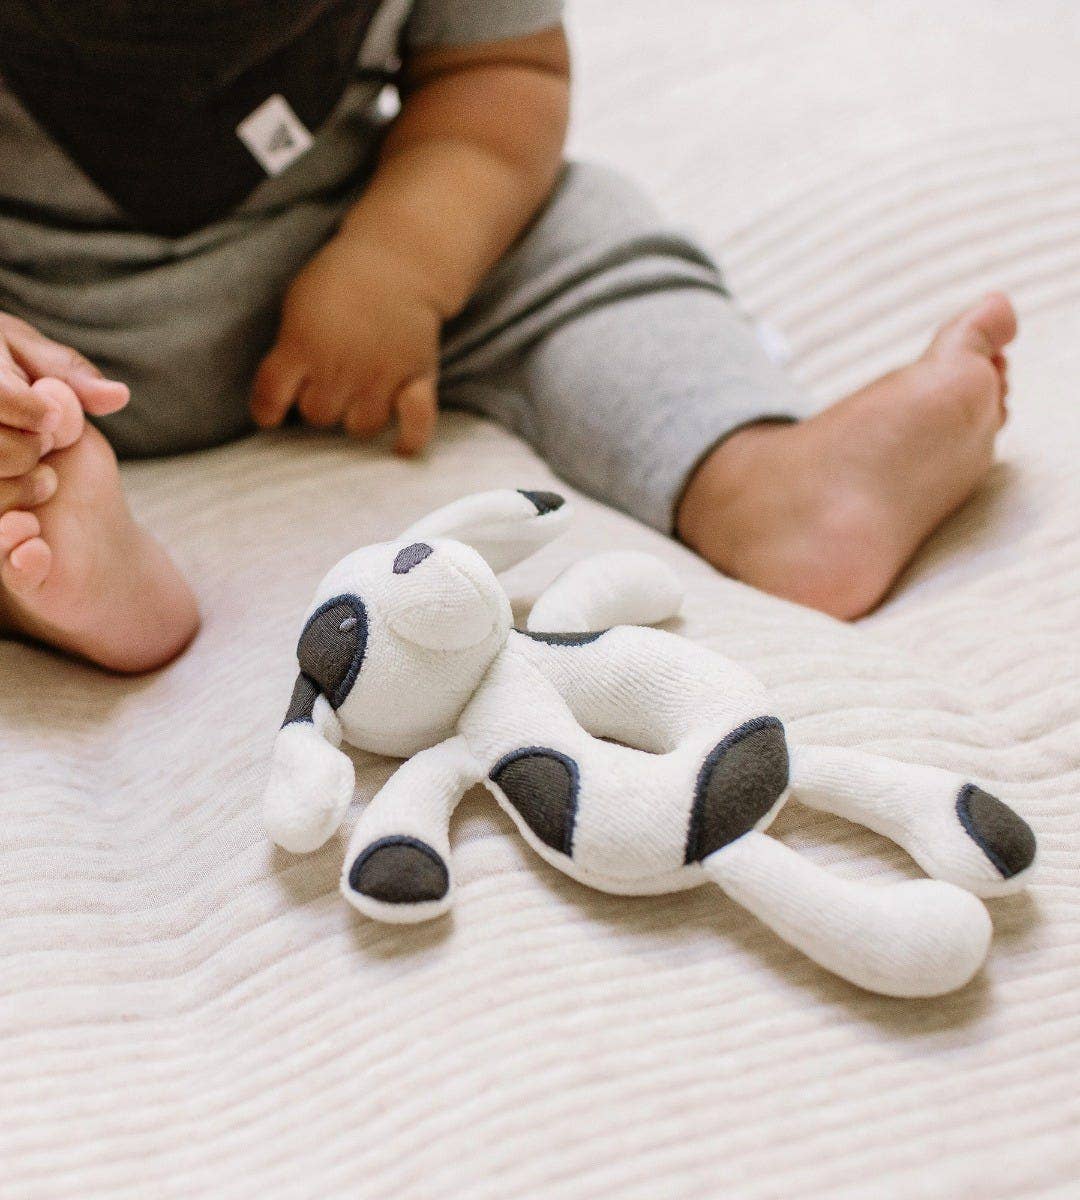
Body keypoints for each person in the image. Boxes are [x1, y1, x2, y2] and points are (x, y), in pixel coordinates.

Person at [0, 1, 1016, 673]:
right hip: (48, 340)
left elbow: (500, 74)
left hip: (366, 233)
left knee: (577, 228)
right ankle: (72, 569)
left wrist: (403, 263)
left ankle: (764, 483)